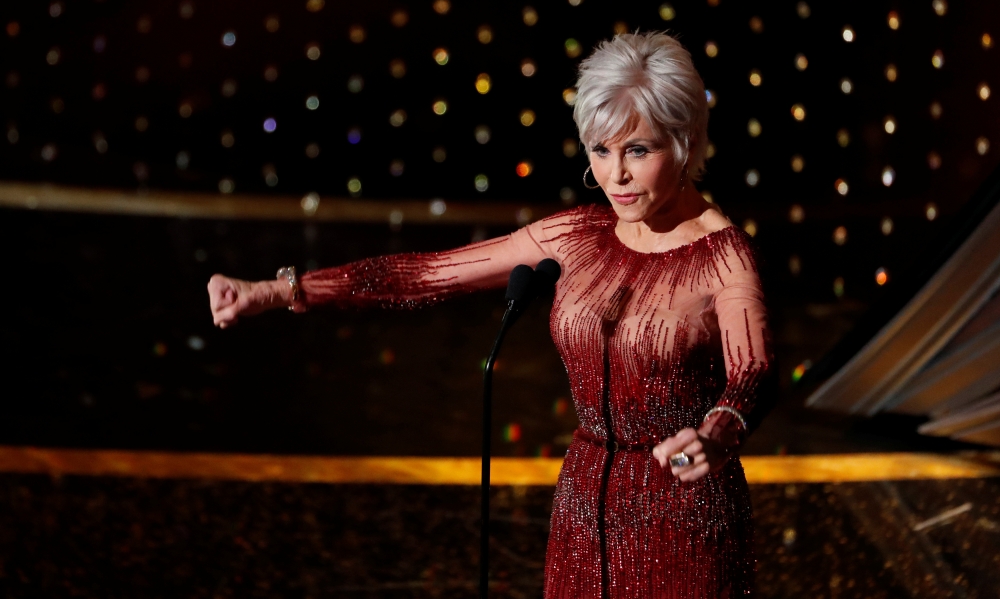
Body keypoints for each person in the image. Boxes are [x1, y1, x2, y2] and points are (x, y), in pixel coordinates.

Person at [208, 32, 772, 599]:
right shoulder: (575, 234)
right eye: (601, 150)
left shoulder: (724, 255)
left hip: (684, 516)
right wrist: (281, 290)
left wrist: (715, 435)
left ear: (684, 141)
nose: (615, 175)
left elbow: (753, 372)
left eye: (639, 151)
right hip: (584, 508)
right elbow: (427, 274)